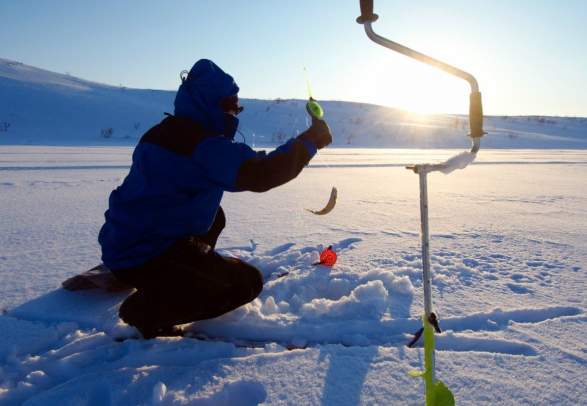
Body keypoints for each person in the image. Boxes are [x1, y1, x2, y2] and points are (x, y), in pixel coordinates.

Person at [98, 59, 332, 338]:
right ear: (212, 104)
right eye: (232, 106)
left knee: (213, 216)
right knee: (247, 284)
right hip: (142, 252)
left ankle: (175, 272)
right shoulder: (201, 145)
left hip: (124, 237)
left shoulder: (165, 131)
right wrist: (309, 142)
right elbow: (260, 174)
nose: (236, 113)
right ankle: (145, 311)